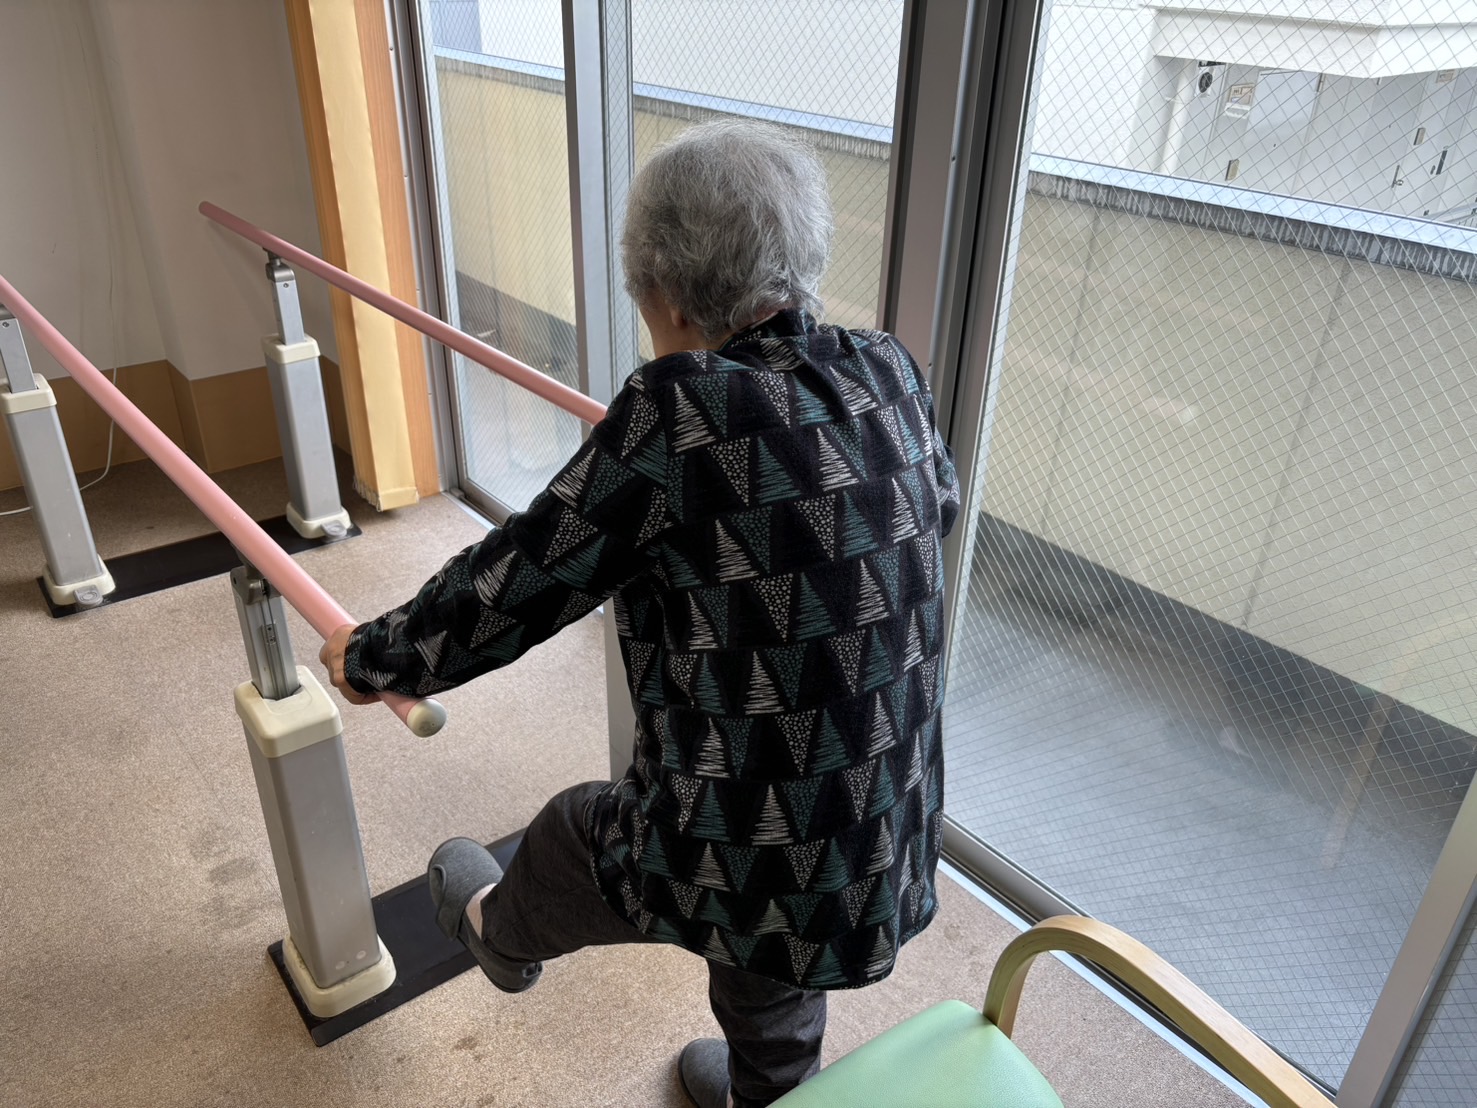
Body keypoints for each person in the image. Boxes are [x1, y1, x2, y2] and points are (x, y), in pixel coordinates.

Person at [320, 118, 959, 1108]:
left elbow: (517, 582)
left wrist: (375, 658)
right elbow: (934, 507)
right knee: (770, 917)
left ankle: (495, 933)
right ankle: (770, 1092)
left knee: (585, 830)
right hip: (884, 829)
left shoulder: (679, 410)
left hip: (758, 848)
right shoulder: (887, 369)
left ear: (663, 292)